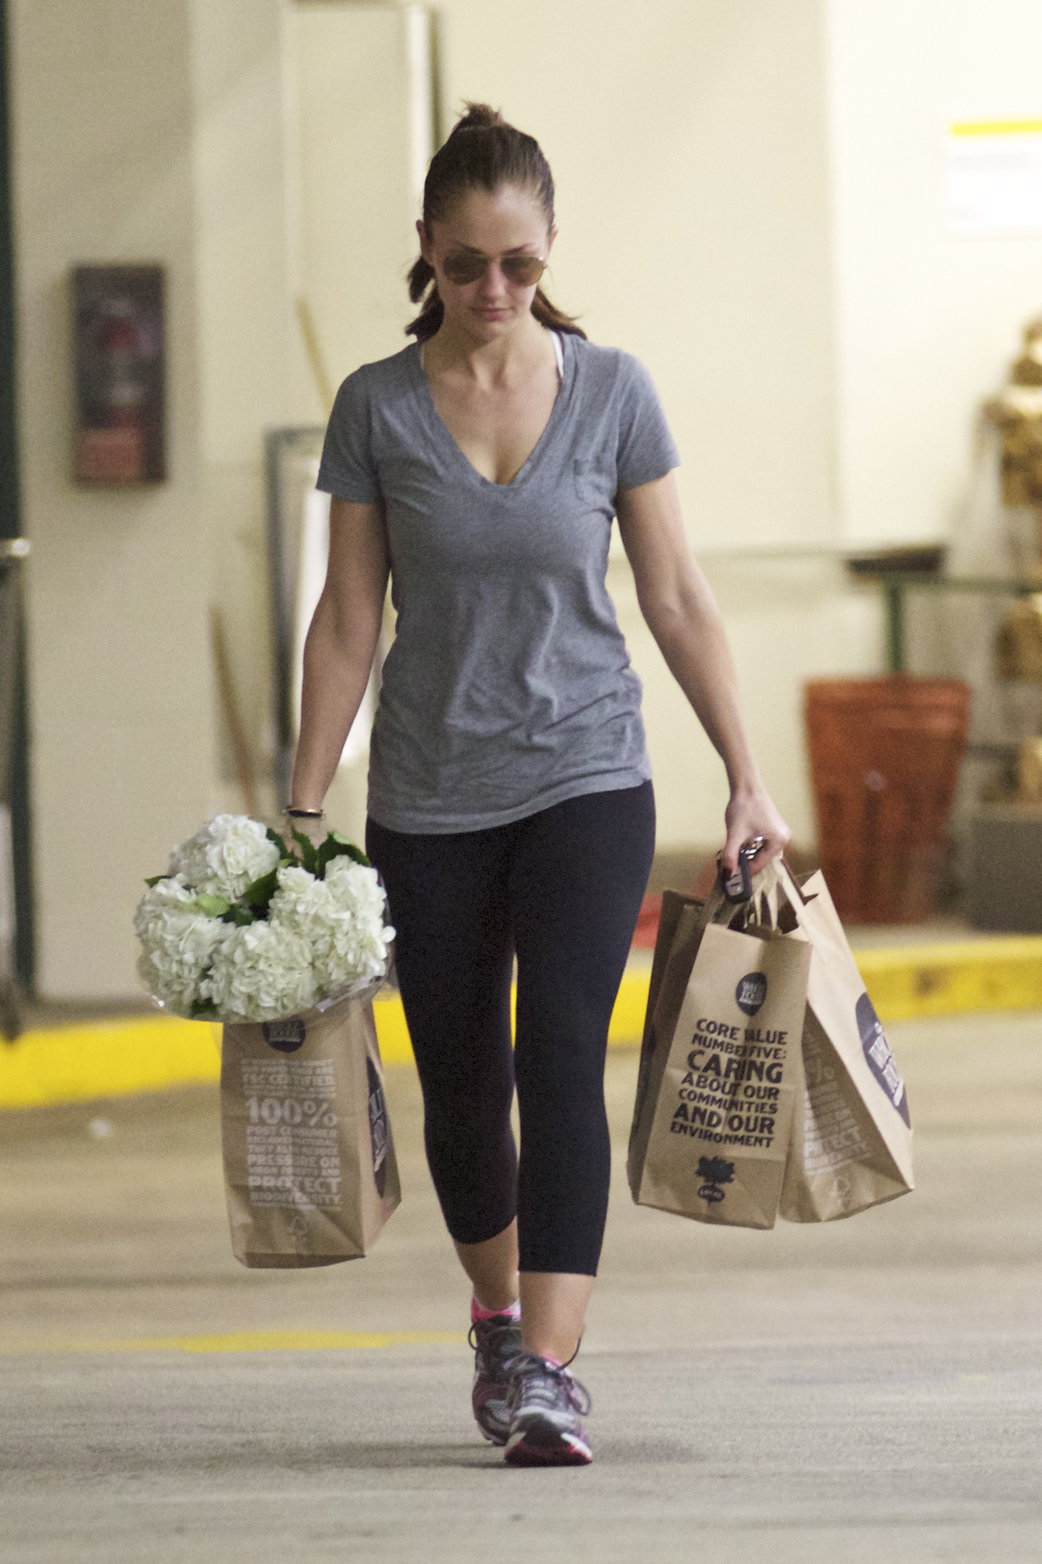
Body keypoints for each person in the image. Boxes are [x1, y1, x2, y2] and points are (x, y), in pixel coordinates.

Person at [288, 103, 789, 1467]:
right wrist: (298, 805)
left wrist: (746, 778)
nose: (491, 290)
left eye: (515, 261)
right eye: (463, 265)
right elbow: (346, 619)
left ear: (550, 246)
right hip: (429, 793)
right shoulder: (375, 407)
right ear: (426, 255)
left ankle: (553, 1372)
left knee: (560, 1047)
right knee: (460, 1078)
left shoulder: (614, 390)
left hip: (586, 774)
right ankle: (499, 1321)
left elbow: (677, 597)